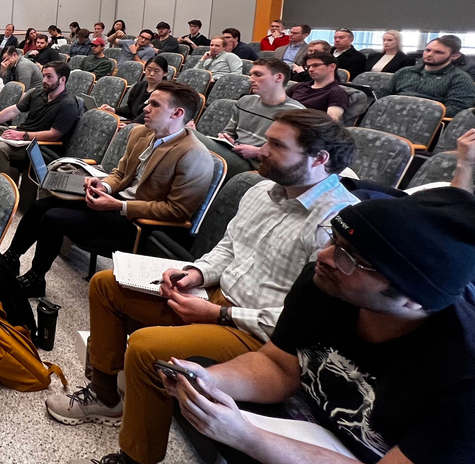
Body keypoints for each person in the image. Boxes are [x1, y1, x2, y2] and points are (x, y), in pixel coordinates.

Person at [59, 110, 359, 464]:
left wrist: (220, 314)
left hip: (261, 333)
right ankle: (106, 397)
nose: (261, 150)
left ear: (319, 159)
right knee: (107, 284)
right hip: (217, 298)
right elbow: (229, 248)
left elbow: (306, 320)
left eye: (277, 145)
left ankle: (136, 458)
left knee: (143, 347)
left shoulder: (338, 223)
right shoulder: (263, 190)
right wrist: (195, 273)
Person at [165, 187, 475, 464]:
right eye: (334, 240)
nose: (323, 256)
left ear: (413, 299)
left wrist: (247, 436)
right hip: (310, 422)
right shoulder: (323, 284)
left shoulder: (463, 374)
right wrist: (204, 380)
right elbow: (277, 365)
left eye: (349, 258)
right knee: (202, 374)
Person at [6, 82, 215, 298]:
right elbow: (120, 173)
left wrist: (119, 205)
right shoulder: (141, 133)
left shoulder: (194, 155)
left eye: (154, 104)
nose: (145, 107)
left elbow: (177, 211)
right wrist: (103, 185)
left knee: (53, 218)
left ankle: (35, 279)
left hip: (139, 223)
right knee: (41, 206)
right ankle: (10, 260)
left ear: (177, 113)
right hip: (114, 202)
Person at [196, 58, 304, 179]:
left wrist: (257, 152)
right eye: (251, 74)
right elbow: (229, 133)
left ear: (278, 78)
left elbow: (292, 157)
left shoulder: (295, 113)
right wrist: (227, 139)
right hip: (234, 154)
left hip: (257, 165)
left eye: (258, 75)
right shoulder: (245, 102)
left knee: (188, 135)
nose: (251, 79)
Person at [0, 61, 79, 182]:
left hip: (41, 146)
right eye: (43, 76)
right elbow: (13, 111)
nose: (44, 80)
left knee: (0, 148)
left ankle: (3, 191)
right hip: (21, 136)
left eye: (49, 77)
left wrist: (23, 135)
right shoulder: (37, 92)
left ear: (62, 80)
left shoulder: (68, 104)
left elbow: (54, 135)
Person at [384, 35, 475, 117]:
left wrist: (413, 111)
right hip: (390, 114)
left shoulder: (460, 78)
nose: (430, 54)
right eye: (427, 50)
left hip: (426, 122)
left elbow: (456, 109)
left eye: (438, 52)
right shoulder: (405, 72)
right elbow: (384, 93)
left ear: (455, 56)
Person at [102, 55, 167, 124]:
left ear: (165, 73)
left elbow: (152, 117)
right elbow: (130, 109)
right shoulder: (139, 86)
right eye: (149, 69)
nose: (151, 74)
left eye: (156, 71)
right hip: (132, 123)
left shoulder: (164, 92)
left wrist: (131, 127)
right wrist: (114, 110)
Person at [286, 53, 349, 121]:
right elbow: (280, 103)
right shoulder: (299, 86)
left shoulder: (337, 92)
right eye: (308, 67)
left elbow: (331, 121)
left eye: (315, 65)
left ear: (332, 67)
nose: (310, 69)